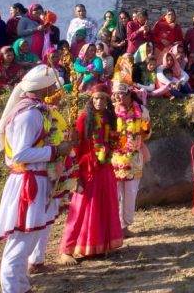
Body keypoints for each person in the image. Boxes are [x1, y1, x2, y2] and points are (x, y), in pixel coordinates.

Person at [0, 65, 72, 293]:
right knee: (20, 242)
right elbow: (19, 154)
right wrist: (56, 151)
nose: (56, 91)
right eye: (52, 87)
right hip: (28, 183)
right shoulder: (29, 114)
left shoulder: (36, 111)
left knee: (27, 240)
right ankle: (12, 288)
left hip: (36, 180)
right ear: (43, 88)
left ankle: (21, 285)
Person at [58, 87, 123, 263]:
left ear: (108, 101)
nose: (99, 102)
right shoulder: (83, 119)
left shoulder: (111, 118)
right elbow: (75, 148)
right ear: (91, 100)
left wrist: (111, 147)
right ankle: (67, 250)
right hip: (87, 168)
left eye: (102, 99)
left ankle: (99, 245)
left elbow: (113, 141)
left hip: (105, 168)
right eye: (95, 99)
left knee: (105, 205)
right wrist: (76, 172)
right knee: (80, 207)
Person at [112, 81, 151, 237]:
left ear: (129, 94)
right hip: (115, 157)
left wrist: (143, 131)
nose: (118, 97)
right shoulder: (111, 110)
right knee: (115, 194)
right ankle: (113, 225)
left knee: (131, 192)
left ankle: (125, 226)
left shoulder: (141, 110)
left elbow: (147, 133)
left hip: (134, 157)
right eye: (116, 94)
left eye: (122, 93)